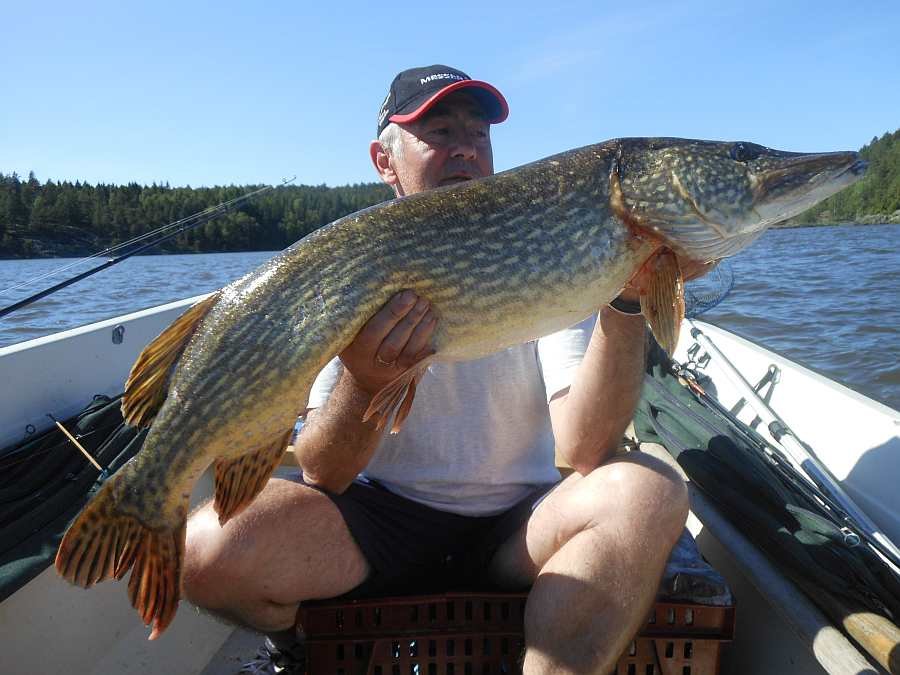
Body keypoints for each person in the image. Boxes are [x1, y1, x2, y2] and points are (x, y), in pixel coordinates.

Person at [183, 65, 694, 675]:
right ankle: (301, 643)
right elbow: (324, 469)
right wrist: (366, 383)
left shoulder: (546, 244)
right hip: (382, 520)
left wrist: (629, 302)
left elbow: (584, 447)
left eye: (479, 134)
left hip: (520, 524)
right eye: (439, 131)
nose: (464, 148)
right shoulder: (353, 259)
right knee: (206, 551)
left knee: (649, 488)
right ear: (384, 159)